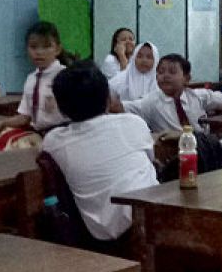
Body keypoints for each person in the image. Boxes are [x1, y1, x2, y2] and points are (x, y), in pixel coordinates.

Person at [43, 61, 158, 242]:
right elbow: (152, 160)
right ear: (108, 100)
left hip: (103, 235)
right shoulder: (133, 122)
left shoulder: (54, 141)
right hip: (154, 218)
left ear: (61, 108)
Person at [0, 21, 68, 150]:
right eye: (33, 47)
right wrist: (2, 123)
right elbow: (25, 117)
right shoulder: (31, 78)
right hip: (39, 133)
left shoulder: (67, 76)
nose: (39, 52)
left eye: (46, 47)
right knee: (1, 139)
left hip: (63, 135)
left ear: (58, 49)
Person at [123, 53, 222, 135]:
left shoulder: (198, 96)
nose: (165, 76)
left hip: (203, 146)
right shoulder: (150, 102)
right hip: (174, 152)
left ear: (187, 79)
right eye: (161, 72)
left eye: (172, 72)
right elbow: (124, 106)